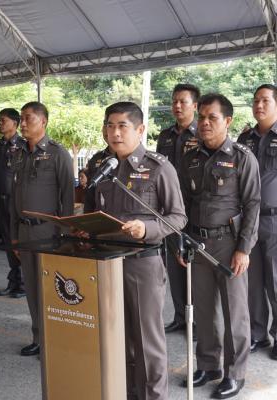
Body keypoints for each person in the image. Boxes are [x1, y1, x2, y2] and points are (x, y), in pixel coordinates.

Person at [91, 102, 187, 400]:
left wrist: (147, 229)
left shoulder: (159, 167)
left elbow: (178, 217)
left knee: (147, 341)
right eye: (110, 126)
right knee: (118, 336)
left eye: (122, 126)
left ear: (140, 129)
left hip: (142, 264)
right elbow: (97, 212)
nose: (115, 133)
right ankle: (128, 392)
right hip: (108, 263)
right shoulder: (103, 166)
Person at [179, 94, 260, 398]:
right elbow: (183, 204)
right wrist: (182, 241)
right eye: (201, 117)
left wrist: (244, 249)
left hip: (229, 245)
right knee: (203, 310)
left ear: (227, 121)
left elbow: (252, 204)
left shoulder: (242, 157)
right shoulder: (191, 158)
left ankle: (235, 373)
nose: (204, 123)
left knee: (234, 312)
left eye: (212, 117)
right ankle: (209, 365)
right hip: (197, 243)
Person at [11, 101, 74, 356]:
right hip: (25, 232)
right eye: (22, 119)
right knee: (32, 288)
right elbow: (14, 198)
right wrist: (14, 235)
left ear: (43, 121)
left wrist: (66, 235)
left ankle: (55, 341)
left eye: (28, 118)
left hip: (48, 231)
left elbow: (67, 197)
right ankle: (39, 337)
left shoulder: (58, 153)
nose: (23, 124)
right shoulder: (19, 153)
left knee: (51, 289)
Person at [156, 83, 200, 334]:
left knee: (195, 268)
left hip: (194, 207)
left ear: (195, 105)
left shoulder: (202, 132)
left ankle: (198, 321)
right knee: (175, 264)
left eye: (183, 101)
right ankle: (180, 317)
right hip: (170, 209)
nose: (177, 106)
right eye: (174, 101)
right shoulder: (165, 136)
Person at [237, 83, 277, 360]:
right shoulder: (245, 138)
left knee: (275, 281)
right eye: (255, 101)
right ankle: (257, 333)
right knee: (252, 282)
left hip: (275, 220)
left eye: (265, 100)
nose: (259, 105)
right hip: (249, 220)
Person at [0, 109, 26, 298]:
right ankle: (14, 281)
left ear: (14, 123)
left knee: (18, 241)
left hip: (16, 200)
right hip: (1, 199)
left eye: (3, 120)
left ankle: (23, 283)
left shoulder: (22, 144)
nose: (0, 123)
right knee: (8, 241)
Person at [84, 127, 113, 213]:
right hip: (100, 215)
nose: (107, 130)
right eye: (106, 125)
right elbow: (90, 193)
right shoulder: (96, 158)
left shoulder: (129, 158)